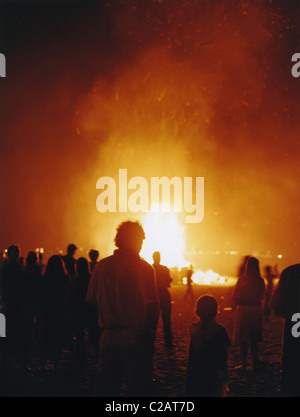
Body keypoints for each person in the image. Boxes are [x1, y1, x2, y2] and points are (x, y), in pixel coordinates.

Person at [86, 221, 159, 397]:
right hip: (135, 338)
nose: (141, 244)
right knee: (139, 390)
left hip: (108, 338)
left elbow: (90, 304)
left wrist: (97, 337)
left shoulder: (102, 267)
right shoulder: (143, 268)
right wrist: (149, 336)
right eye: (140, 240)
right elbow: (152, 307)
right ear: (134, 241)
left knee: (106, 390)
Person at [186, 295, 230, 397]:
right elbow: (223, 355)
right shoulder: (219, 331)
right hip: (213, 373)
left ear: (197, 312)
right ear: (215, 312)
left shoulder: (193, 329)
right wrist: (224, 372)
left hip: (196, 372)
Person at [271, 264, 300, 396]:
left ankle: (289, 385)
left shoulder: (290, 272)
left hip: (295, 318)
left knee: (291, 352)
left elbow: (279, 299)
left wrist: (278, 311)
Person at [233, 257, 265, 372]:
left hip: (243, 309)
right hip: (255, 309)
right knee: (254, 337)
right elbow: (262, 295)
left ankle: (243, 363)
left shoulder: (243, 279)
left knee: (243, 338)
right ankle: (254, 362)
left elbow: (236, 294)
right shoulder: (260, 280)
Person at [39, 255, 70, 370]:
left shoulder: (45, 278)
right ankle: (55, 365)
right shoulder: (66, 279)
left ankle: (42, 364)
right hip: (59, 310)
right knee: (58, 338)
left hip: (47, 310)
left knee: (45, 338)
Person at [72, 257, 100, 362]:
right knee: (94, 335)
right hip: (90, 310)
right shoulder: (91, 278)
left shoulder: (76, 280)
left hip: (79, 311)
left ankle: (80, 360)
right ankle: (99, 356)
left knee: (79, 338)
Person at [21, 251, 42, 371]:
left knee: (25, 334)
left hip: (23, 306)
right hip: (32, 306)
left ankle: (24, 361)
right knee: (30, 335)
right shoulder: (36, 274)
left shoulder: (22, 272)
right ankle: (27, 361)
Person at [152, 251, 175, 347]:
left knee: (152, 321)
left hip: (153, 295)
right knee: (166, 319)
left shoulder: (149, 268)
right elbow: (169, 280)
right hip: (164, 295)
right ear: (159, 258)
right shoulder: (164, 269)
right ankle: (168, 342)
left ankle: (150, 341)